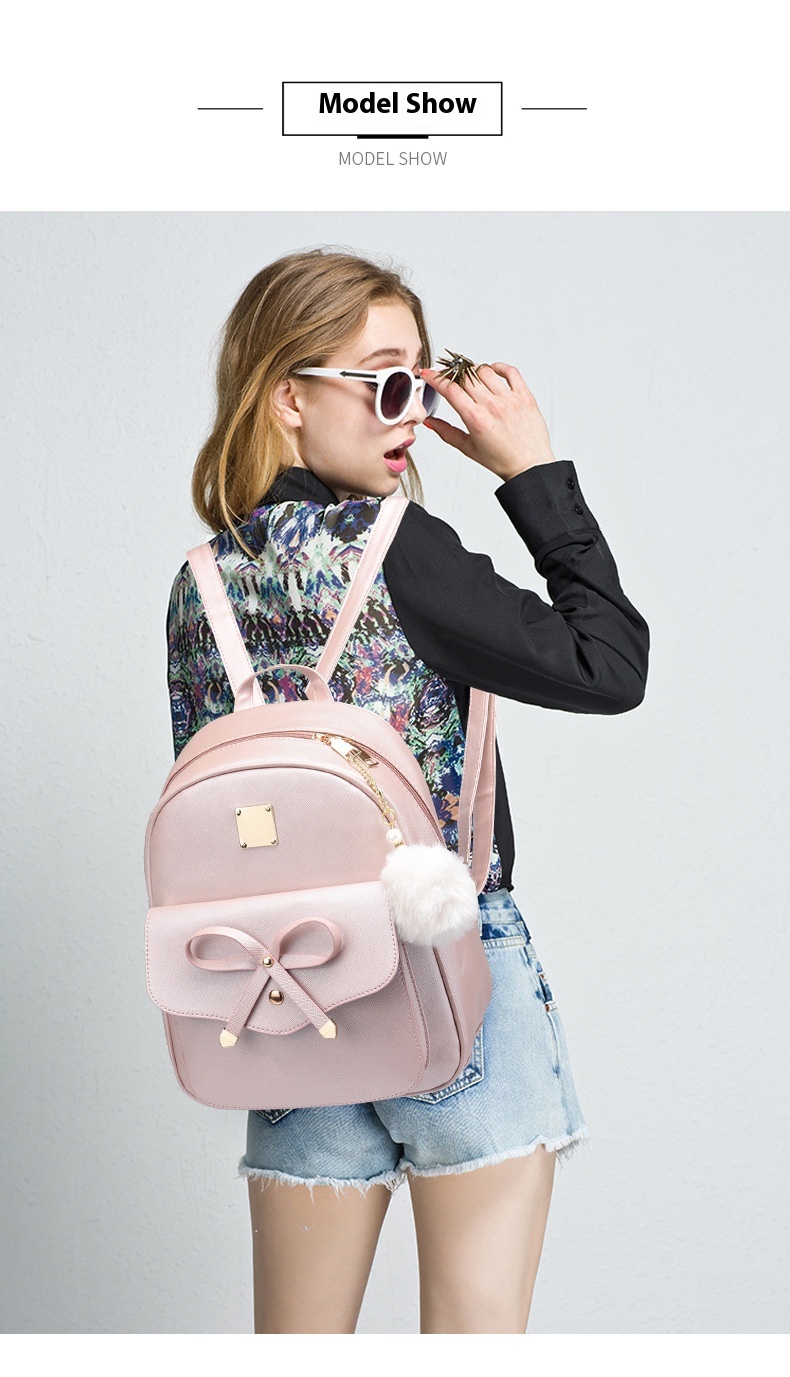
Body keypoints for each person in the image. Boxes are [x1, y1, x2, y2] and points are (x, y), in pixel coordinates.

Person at [166, 247, 650, 1334]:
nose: (415, 416)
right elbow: (611, 664)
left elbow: (219, 826)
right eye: (387, 383)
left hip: (287, 989)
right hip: (447, 970)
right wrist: (532, 472)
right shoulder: (401, 549)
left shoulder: (199, 583)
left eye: (423, 385)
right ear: (287, 397)